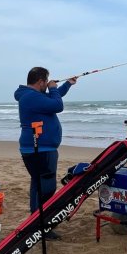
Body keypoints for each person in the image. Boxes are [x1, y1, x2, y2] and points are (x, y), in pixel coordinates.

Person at [14, 66, 77, 239]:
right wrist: (54, 88)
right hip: (41, 150)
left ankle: (35, 220)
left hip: (35, 149)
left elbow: (51, 98)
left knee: (38, 183)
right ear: (41, 81)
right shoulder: (31, 97)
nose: (47, 84)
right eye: (46, 81)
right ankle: (40, 226)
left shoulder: (30, 96)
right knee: (47, 189)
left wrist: (66, 85)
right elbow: (57, 104)